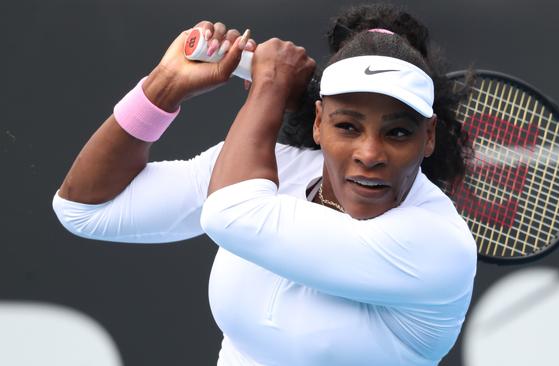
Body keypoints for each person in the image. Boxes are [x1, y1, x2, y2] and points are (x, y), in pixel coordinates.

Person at [52, 4, 477, 365]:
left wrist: (270, 87)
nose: (369, 153)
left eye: (398, 132)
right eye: (347, 126)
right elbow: (86, 210)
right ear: (317, 122)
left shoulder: (437, 244)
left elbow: (230, 214)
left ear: (430, 136)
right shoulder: (275, 168)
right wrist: (164, 88)